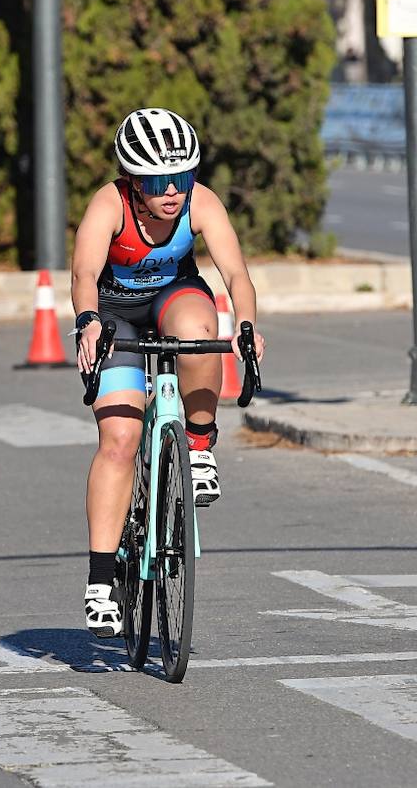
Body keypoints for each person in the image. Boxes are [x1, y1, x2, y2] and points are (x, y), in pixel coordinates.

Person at [70, 108, 265, 637]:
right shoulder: (109, 205)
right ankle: (100, 581)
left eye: (179, 178)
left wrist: (246, 327)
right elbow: (85, 272)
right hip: (115, 312)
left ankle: (198, 447)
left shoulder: (200, 201)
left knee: (204, 330)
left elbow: (236, 274)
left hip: (172, 299)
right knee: (120, 438)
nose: (172, 192)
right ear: (133, 183)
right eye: (157, 182)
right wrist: (88, 321)